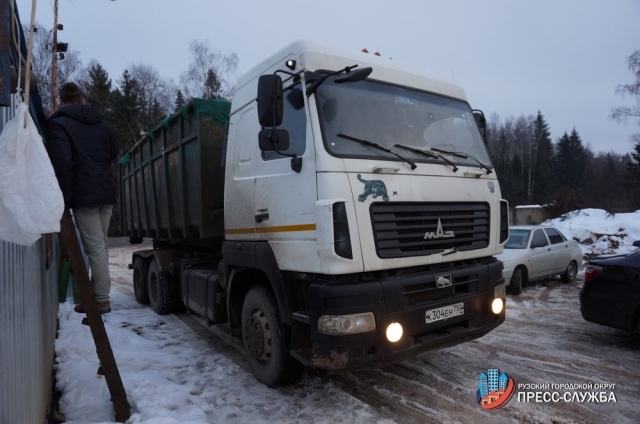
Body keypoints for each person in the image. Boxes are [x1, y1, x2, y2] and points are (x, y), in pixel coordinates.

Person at [47, 82, 118, 314]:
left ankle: (101, 301)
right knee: (101, 248)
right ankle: (98, 297)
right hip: (105, 193)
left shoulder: (58, 125)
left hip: (84, 197)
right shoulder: (104, 125)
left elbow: (63, 163)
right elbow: (114, 152)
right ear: (83, 99)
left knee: (96, 249)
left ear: (62, 102)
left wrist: (64, 198)